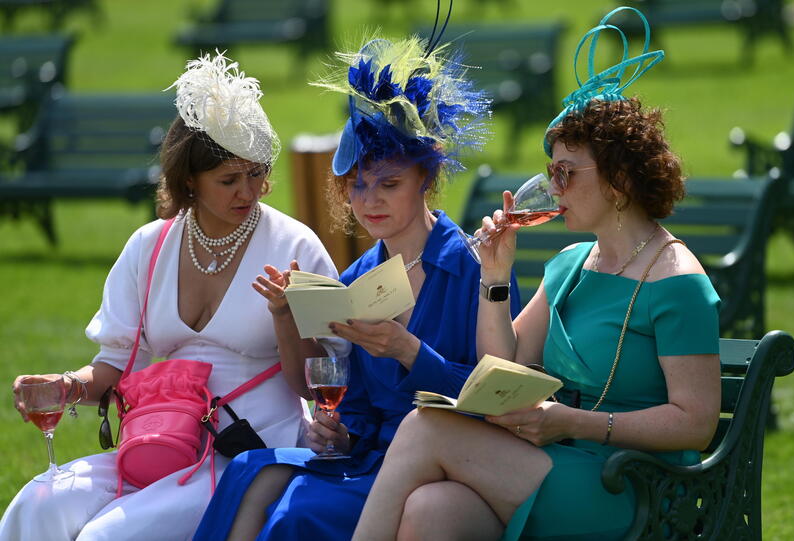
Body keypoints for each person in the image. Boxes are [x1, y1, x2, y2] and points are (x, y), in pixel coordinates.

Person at [353, 8, 723, 541]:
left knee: (422, 428)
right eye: (551, 171)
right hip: (556, 461)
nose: (553, 188)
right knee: (431, 511)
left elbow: (696, 422)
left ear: (619, 180)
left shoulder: (677, 281)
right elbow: (501, 369)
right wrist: (494, 276)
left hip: (632, 485)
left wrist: (571, 422)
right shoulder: (572, 265)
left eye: (566, 174)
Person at [1, 52, 347, 541]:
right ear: (189, 179)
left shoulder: (293, 246)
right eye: (228, 179)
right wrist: (65, 387)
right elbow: (115, 364)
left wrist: (286, 318)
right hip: (162, 438)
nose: (249, 191)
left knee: (107, 536)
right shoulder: (150, 246)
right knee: (39, 503)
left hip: (249, 450)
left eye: (256, 173)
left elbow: (320, 385)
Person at [192, 33, 521, 541]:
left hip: (448, 466)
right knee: (251, 475)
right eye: (357, 186)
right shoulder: (356, 278)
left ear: (425, 182)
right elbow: (348, 402)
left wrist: (411, 352)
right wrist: (337, 428)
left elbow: (501, 398)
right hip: (369, 459)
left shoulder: (474, 266)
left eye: (388, 184)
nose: (370, 201)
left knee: (297, 513)